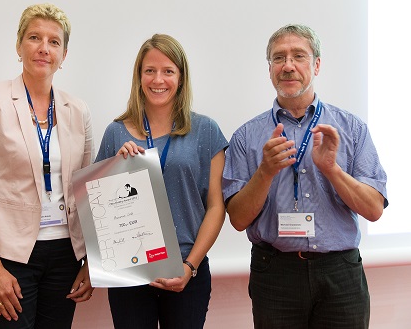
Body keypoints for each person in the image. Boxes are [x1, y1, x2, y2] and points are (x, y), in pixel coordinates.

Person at [222, 24, 388, 329]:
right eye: (278, 58)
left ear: (317, 64)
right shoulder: (246, 137)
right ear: (269, 69)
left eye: (299, 55)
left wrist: (332, 169)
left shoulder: (351, 128)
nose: (288, 65)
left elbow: (374, 209)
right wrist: (266, 171)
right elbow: (238, 219)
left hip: (340, 272)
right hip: (275, 273)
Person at [0, 3, 94, 329]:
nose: (44, 48)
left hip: (65, 257)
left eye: (54, 41)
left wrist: (91, 261)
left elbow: (86, 190)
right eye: (34, 37)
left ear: (64, 54)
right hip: (8, 258)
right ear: (19, 46)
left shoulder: (78, 110)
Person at [95, 33, 228, 329]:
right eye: (150, 70)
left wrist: (189, 266)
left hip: (186, 269)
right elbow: (98, 210)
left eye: (168, 71)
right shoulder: (116, 133)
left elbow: (216, 207)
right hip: (129, 273)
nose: (158, 79)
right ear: (139, 76)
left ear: (180, 78)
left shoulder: (206, 131)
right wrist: (117, 168)